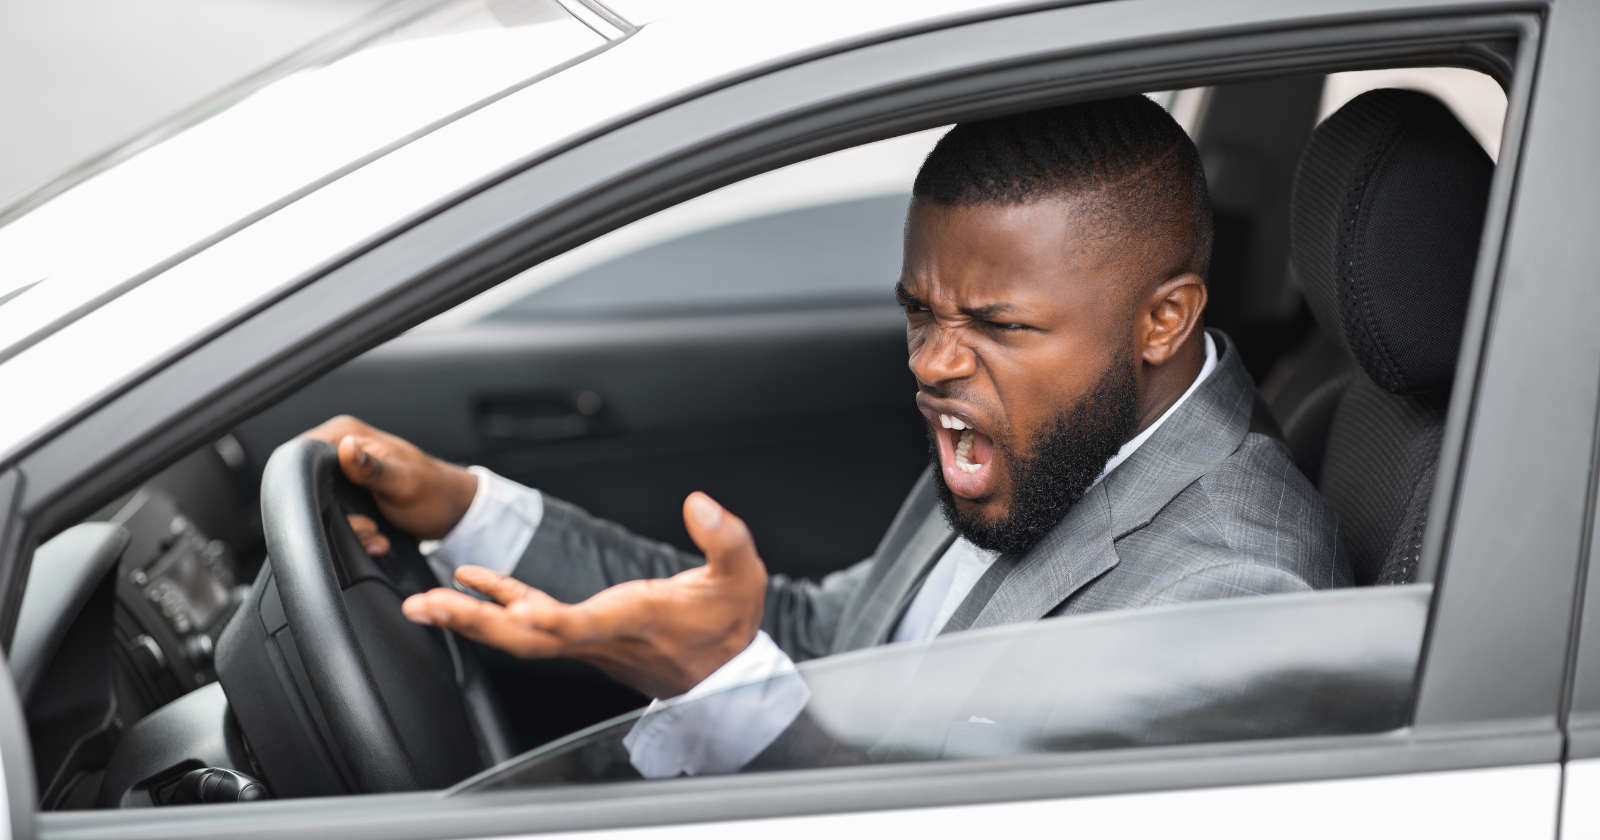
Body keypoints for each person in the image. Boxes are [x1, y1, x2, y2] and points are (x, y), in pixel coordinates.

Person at [304, 95, 1351, 776]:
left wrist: (723, 690)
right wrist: (468, 511)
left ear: (1162, 321)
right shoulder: (1036, 434)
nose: (932, 364)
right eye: (919, 313)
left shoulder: (1229, 599)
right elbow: (838, 640)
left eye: (997, 325)